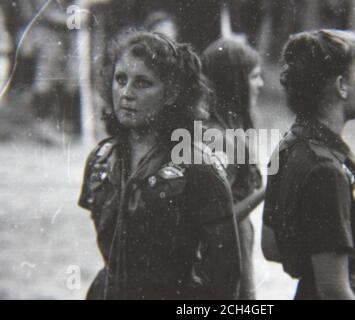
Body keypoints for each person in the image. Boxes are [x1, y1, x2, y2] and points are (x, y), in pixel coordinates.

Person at [78, 31, 240, 300]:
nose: (126, 94)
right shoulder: (101, 159)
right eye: (120, 80)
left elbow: (226, 276)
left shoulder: (197, 166)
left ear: (171, 93)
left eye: (143, 83)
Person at [263, 30, 355, 300]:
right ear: (341, 86)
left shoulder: (291, 145)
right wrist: (351, 268)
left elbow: (272, 245)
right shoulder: (326, 168)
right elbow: (334, 290)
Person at [201, 38, 265, 300]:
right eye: (254, 76)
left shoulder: (229, 130)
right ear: (234, 83)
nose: (260, 84)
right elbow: (215, 219)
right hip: (222, 254)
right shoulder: (215, 137)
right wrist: (268, 191)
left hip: (236, 246)